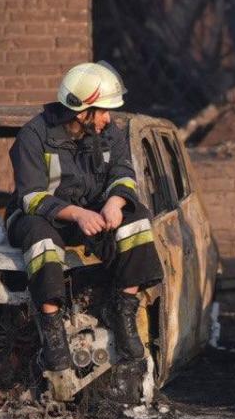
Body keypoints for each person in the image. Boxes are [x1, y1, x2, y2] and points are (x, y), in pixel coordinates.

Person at [8, 61, 163, 373]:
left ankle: (123, 311)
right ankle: (52, 331)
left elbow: (123, 173)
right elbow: (32, 196)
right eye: (103, 111)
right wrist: (78, 214)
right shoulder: (33, 136)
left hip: (92, 215)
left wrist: (115, 203)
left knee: (137, 219)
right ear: (81, 112)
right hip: (42, 216)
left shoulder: (109, 133)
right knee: (41, 240)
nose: (108, 118)